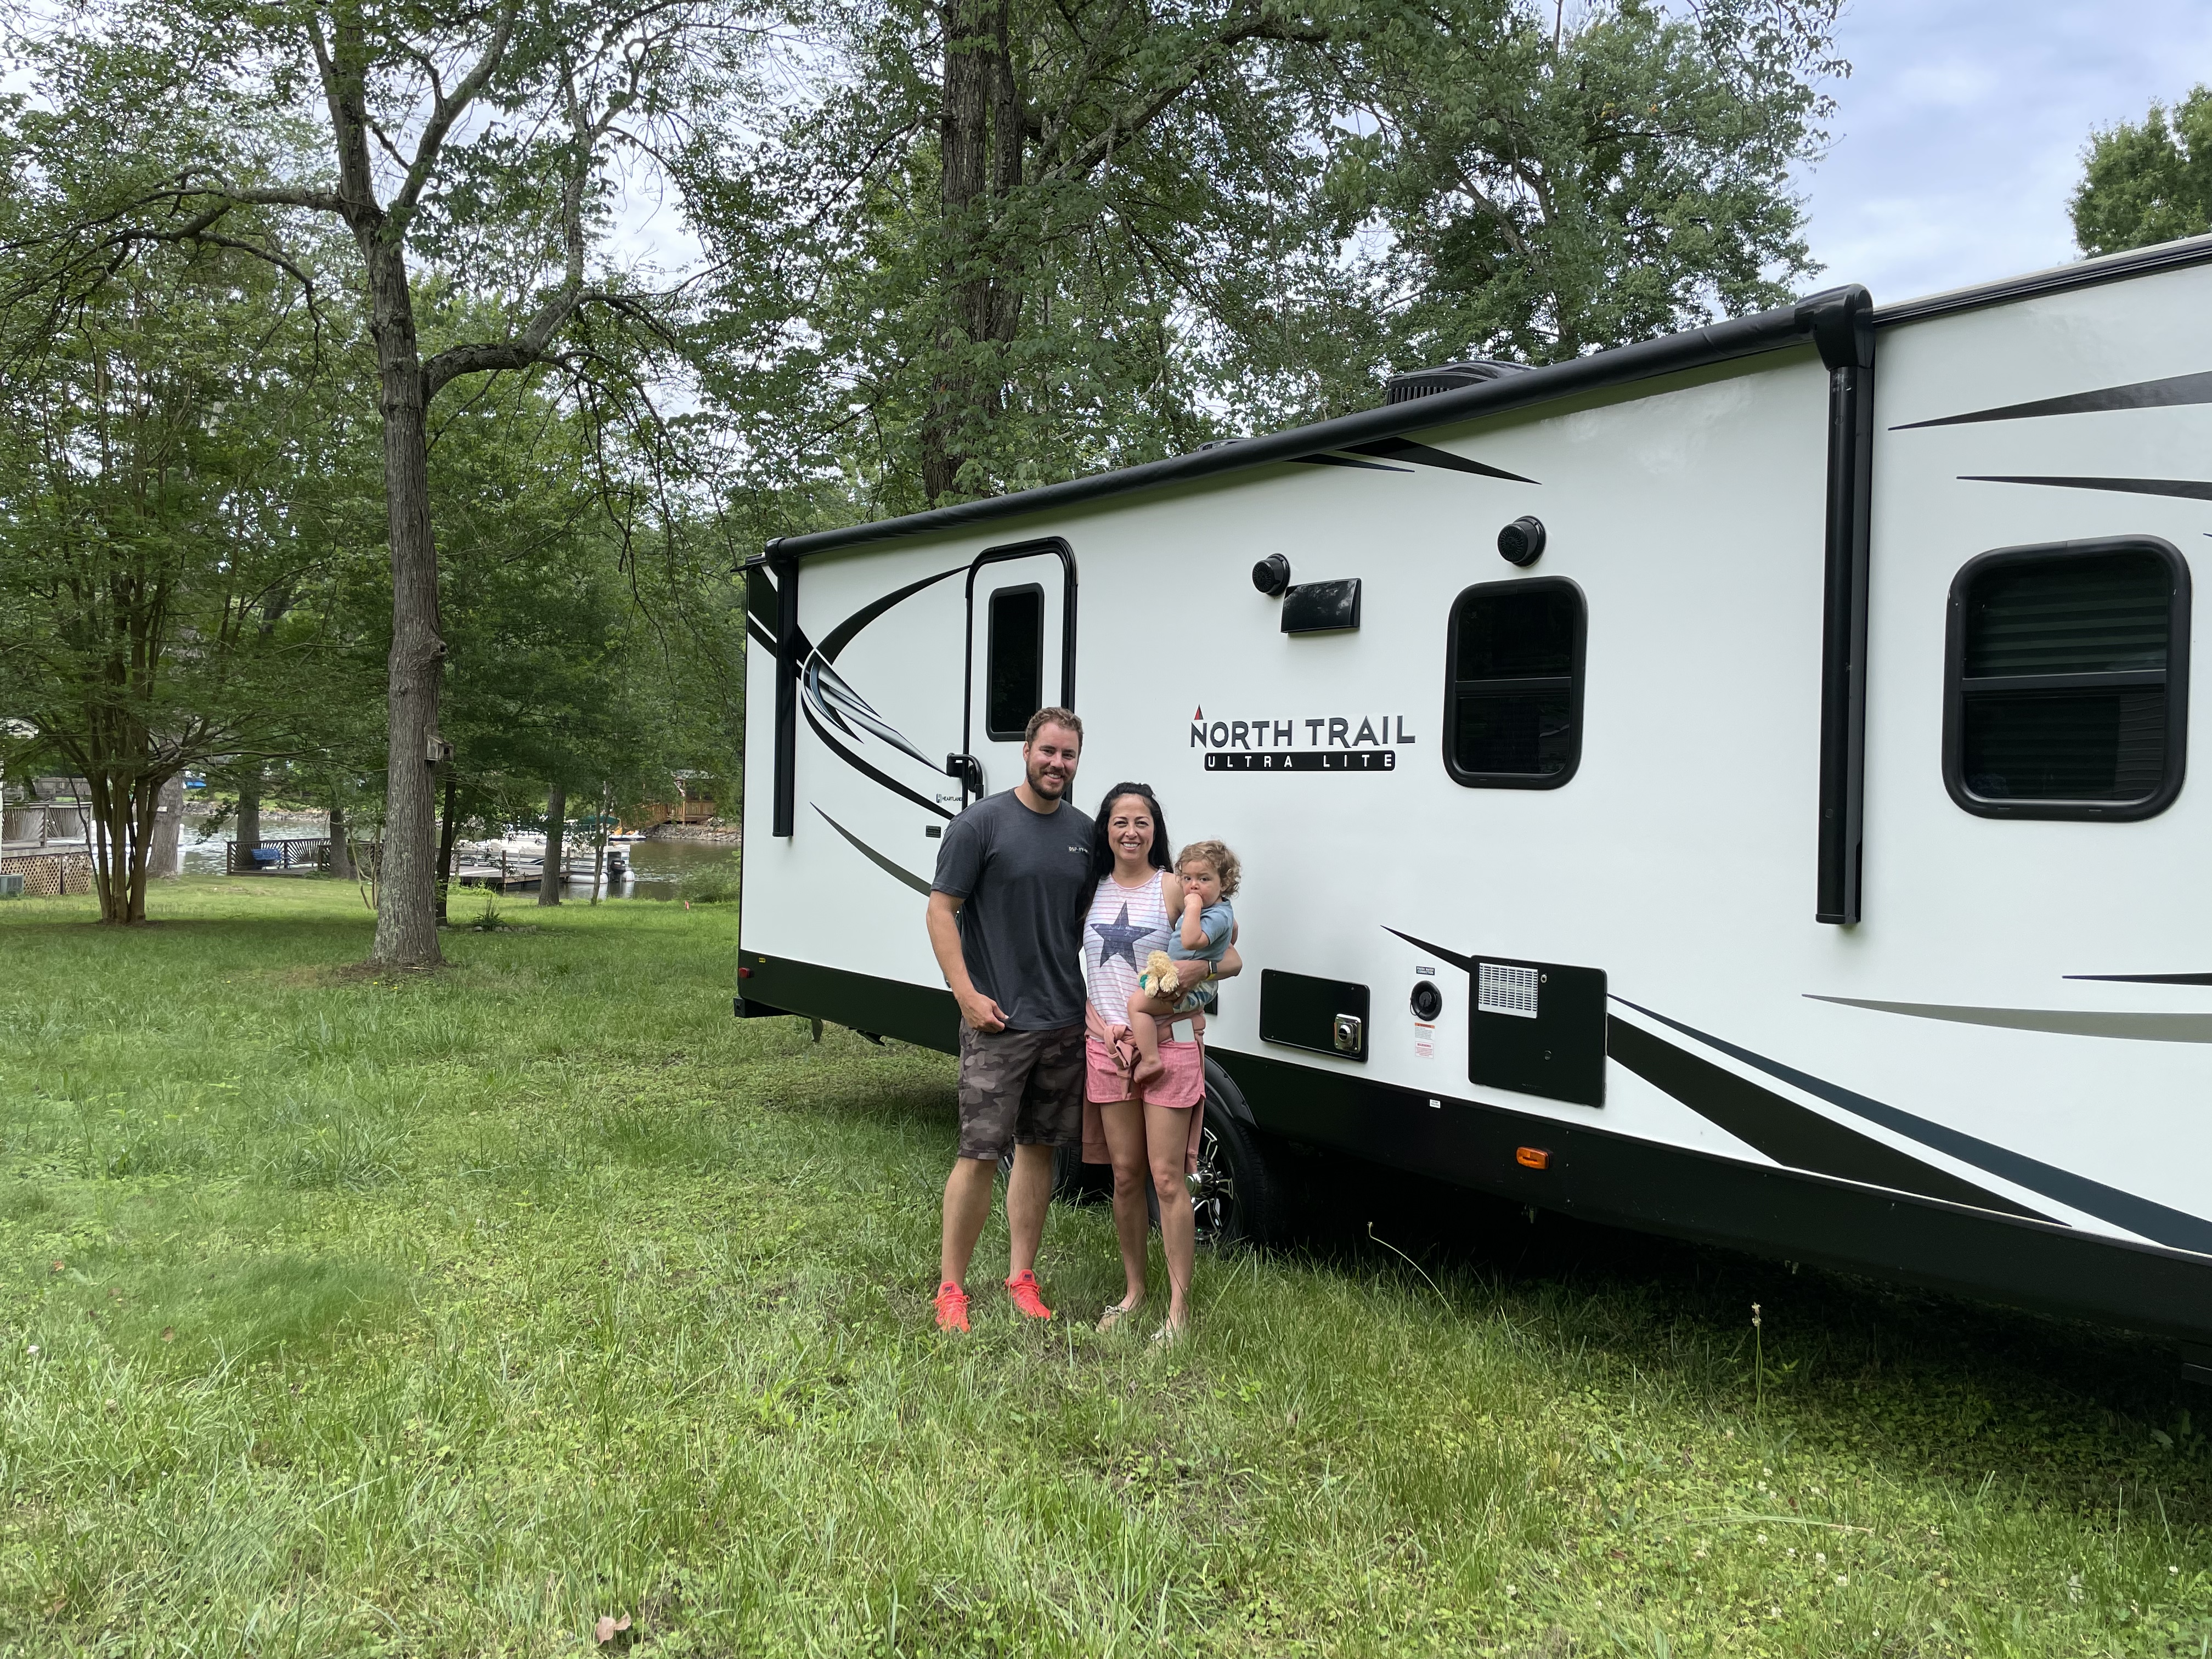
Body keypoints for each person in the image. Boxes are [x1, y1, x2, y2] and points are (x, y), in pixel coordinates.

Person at [924, 708, 1094, 1334]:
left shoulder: (1084, 833)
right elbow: (942, 912)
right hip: (997, 1021)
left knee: (1038, 1150)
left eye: (1069, 755)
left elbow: (1083, 926)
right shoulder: (980, 825)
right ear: (1026, 751)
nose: (1057, 764)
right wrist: (965, 994)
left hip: (1061, 1021)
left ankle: (1022, 1276)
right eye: (1048, 751)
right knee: (977, 1153)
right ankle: (951, 1289)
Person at [1080, 785, 1241, 1344]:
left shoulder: (1176, 885)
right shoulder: (1091, 889)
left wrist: (1201, 974)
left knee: (1169, 1179)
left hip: (1168, 1047)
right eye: (1120, 821)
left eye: (1142, 821)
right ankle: (1133, 1292)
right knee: (1125, 1177)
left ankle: (1178, 1312)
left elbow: (1232, 953)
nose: (1131, 831)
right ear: (1106, 828)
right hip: (1107, 1049)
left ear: (1155, 829)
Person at [1126, 839, 1239, 1088]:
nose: (1193, 886)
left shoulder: (1214, 913)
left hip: (1194, 986)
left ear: (1225, 883)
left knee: (1137, 1005)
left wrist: (1193, 908)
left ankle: (1150, 1059)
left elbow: (1189, 941)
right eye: (1187, 879)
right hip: (1176, 973)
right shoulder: (1221, 913)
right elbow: (1233, 931)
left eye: (1204, 879)